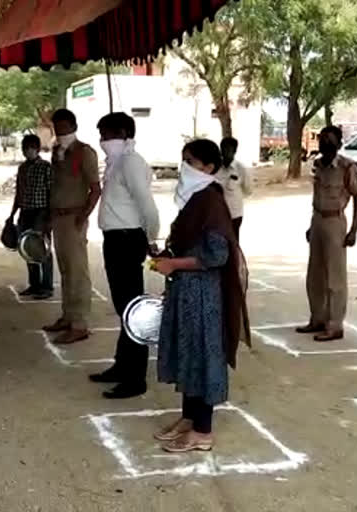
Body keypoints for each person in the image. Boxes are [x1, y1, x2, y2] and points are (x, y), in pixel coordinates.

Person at [152, 139, 249, 453]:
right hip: (185, 290)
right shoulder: (194, 199)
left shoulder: (210, 200)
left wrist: (173, 264)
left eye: (190, 162)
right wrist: (164, 256)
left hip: (203, 295)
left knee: (203, 357)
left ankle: (203, 431)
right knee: (187, 353)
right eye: (183, 160)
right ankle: (189, 417)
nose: (184, 168)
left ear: (208, 168)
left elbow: (217, 254)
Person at [89, 112, 160, 399]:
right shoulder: (117, 162)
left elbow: (147, 204)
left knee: (132, 308)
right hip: (115, 239)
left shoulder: (131, 162)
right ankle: (122, 366)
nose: (102, 140)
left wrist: (152, 237)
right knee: (124, 307)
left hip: (127, 238)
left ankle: (135, 378)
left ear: (122, 133)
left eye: (106, 134)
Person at [296, 126, 357, 342]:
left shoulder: (346, 167)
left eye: (330, 141)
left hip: (335, 221)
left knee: (335, 276)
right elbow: (317, 196)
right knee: (315, 274)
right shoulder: (317, 165)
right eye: (323, 140)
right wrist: (310, 225)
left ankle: (335, 325)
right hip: (318, 220)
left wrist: (353, 229)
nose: (325, 144)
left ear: (339, 144)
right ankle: (318, 318)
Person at [43, 108, 101, 345]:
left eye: (64, 127)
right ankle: (68, 316)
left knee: (78, 271)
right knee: (66, 269)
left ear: (74, 126)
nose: (60, 131)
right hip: (58, 217)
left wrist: (83, 216)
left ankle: (80, 324)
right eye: (57, 127)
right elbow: (55, 187)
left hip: (74, 217)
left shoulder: (84, 153)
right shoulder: (57, 151)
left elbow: (95, 189)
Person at [8, 134, 54, 299]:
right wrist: (12, 215)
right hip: (25, 212)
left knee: (43, 249)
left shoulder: (46, 167)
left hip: (41, 212)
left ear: (37, 149)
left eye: (30, 148)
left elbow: (51, 193)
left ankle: (47, 286)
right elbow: (19, 193)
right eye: (24, 148)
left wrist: (48, 217)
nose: (27, 151)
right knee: (27, 248)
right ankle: (34, 284)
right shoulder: (22, 168)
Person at [217, 137, 252, 240]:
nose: (225, 153)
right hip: (217, 215)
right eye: (223, 149)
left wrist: (234, 199)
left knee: (233, 243)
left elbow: (248, 190)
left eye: (228, 150)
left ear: (235, 151)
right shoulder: (215, 168)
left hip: (234, 215)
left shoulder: (241, 169)